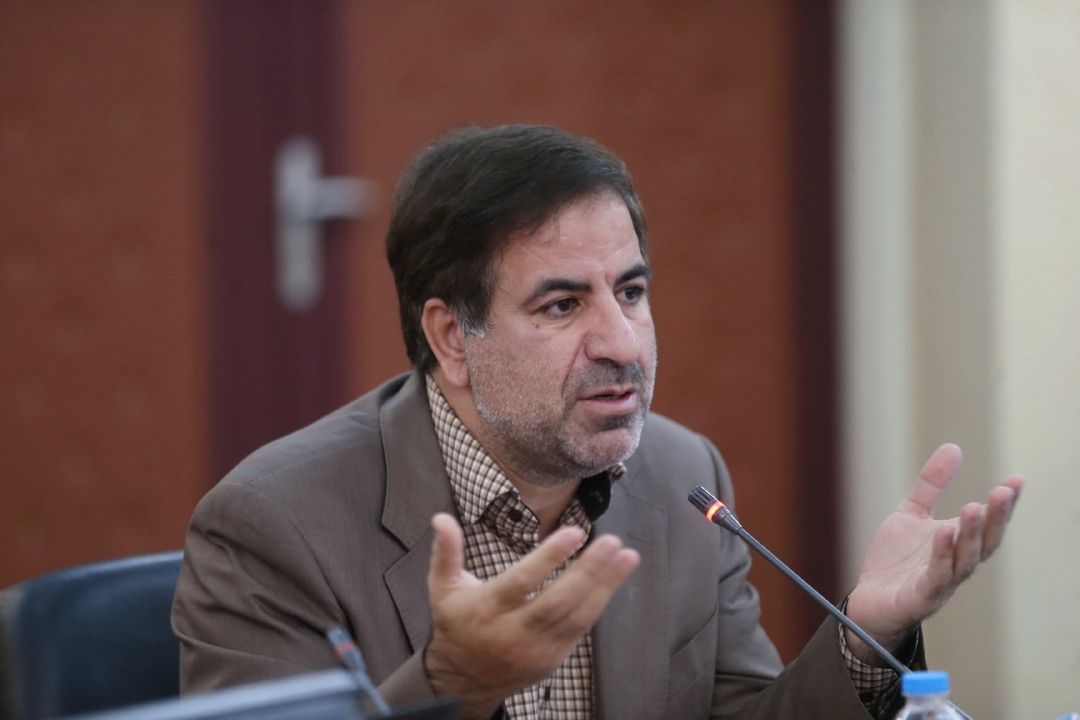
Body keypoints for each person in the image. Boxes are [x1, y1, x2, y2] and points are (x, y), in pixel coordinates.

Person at [171, 124, 1023, 720]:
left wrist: (868, 632)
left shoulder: (682, 477)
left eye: (632, 292)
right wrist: (455, 683)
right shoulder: (277, 524)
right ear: (451, 338)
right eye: (561, 305)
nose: (621, 342)